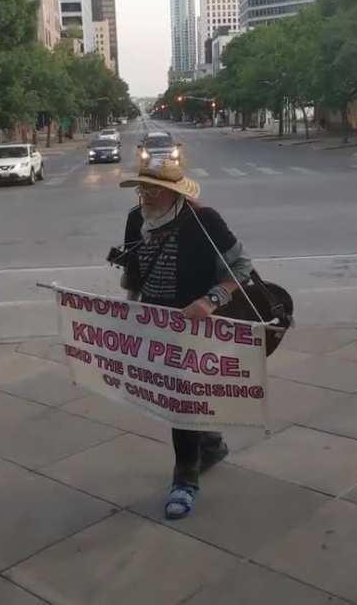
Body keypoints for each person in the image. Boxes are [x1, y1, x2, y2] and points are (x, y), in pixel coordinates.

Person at [119, 156, 252, 520]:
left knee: (182, 401)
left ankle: (185, 481)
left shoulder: (203, 220)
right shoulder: (136, 218)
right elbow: (134, 269)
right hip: (156, 322)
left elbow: (241, 268)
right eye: (142, 187)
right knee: (181, 397)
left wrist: (210, 301)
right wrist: (129, 309)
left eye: (153, 189)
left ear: (172, 191)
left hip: (196, 325)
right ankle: (210, 444)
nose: (145, 194)